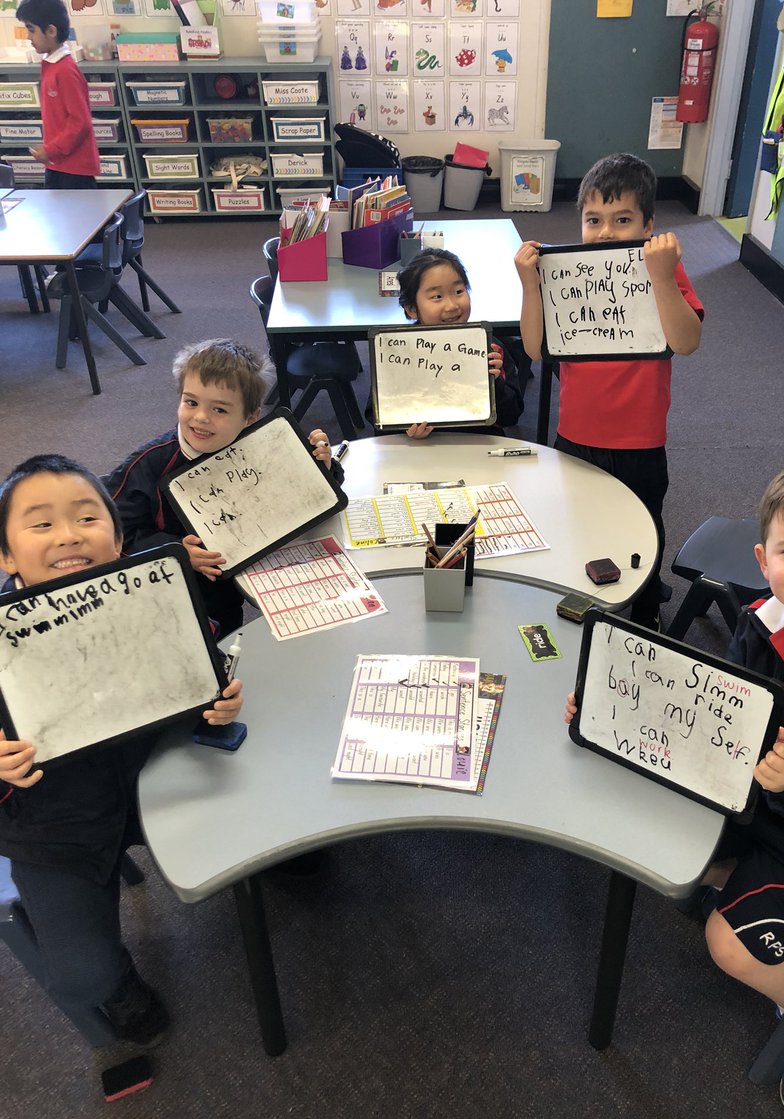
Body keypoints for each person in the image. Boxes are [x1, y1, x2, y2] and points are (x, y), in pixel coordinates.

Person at [565, 456, 784, 1115]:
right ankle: (744, 892)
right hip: (766, 809)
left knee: (728, 943)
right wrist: (616, 709)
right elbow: (717, 705)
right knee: (660, 845)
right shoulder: (763, 619)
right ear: (763, 556)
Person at [0, 454, 245, 1050]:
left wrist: (219, 695)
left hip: (156, 767)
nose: (67, 535)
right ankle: (120, 986)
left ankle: (283, 863)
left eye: (87, 517)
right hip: (54, 822)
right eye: (40, 524)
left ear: (115, 538)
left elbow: (204, 661)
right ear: (5, 555)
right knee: (84, 976)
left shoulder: (152, 588)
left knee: (268, 822)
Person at [515, 153, 703, 629]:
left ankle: (643, 612)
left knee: (642, 530)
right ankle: (583, 599)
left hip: (640, 442)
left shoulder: (660, 269)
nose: (605, 232)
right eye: (594, 220)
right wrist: (530, 285)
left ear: (649, 224)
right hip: (577, 436)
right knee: (579, 523)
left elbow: (686, 342)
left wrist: (662, 275)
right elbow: (536, 350)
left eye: (623, 220)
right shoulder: (567, 271)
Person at [105, 338, 345, 637]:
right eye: (191, 402)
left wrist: (324, 468)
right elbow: (110, 535)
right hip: (174, 595)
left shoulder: (265, 445)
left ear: (250, 417)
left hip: (239, 583)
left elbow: (311, 496)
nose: (201, 417)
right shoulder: (149, 465)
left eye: (219, 410)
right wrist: (174, 551)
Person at [369, 248, 525, 438]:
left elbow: (512, 414)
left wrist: (496, 382)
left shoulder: (490, 347)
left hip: (479, 444)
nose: (452, 305)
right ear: (411, 309)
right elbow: (376, 414)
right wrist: (404, 428)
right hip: (416, 450)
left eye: (459, 291)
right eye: (437, 297)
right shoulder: (397, 351)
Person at [15, 0, 100, 188]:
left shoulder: (65, 70)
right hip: (58, 162)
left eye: (31, 30)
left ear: (51, 31)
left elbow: (80, 121)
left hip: (74, 168)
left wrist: (52, 149)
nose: (29, 37)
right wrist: (50, 151)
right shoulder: (51, 65)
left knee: (77, 216)